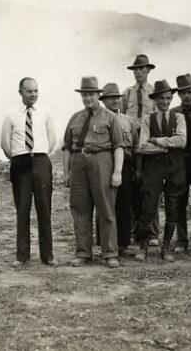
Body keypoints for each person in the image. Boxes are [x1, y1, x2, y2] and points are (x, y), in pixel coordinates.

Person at [63, 77, 124, 269]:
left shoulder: (109, 117)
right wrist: (66, 172)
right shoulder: (75, 118)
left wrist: (117, 172)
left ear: (98, 95)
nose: (88, 98)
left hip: (102, 162)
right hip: (79, 164)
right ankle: (83, 252)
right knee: (80, 210)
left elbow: (119, 146)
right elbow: (66, 147)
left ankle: (110, 253)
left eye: (91, 94)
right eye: (85, 95)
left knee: (106, 210)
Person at [0, 77, 58, 268]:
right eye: (29, 91)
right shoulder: (10, 115)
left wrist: (39, 155)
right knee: (22, 209)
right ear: (20, 92)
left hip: (41, 161)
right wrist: (18, 159)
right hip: (20, 163)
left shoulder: (45, 113)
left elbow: (52, 140)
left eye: (36, 91)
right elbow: (5, 143)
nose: (33, 94)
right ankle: (22, 255)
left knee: (44, 209)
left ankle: (47, 256)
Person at [135, 80, 187, 262]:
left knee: (172, 206)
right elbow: (142, 146)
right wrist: (168, 145)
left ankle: (166, 247)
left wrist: (157, 141)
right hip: (154, 167)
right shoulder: (148, 120)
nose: (165, 102)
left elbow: (182, 141)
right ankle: (143, 247)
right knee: (149, 205)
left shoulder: (179, 118)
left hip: (175, 166)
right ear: (155, 99)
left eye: (168, 98)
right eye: (161, 99)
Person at [121, 54, 159, 245]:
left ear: (148, 71)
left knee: (151, 187)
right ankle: (134, 230)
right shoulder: (126, 94)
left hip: (148, 145)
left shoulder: (153, 92)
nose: (138, 73)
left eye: (142, 69)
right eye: (135, 69)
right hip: (131, 145)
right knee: (131, 187)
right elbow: (121, 119)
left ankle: (152, 232)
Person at [99, 82, 138, 257]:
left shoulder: (128, 121)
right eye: (111, 98)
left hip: (126, 166)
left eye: (117, 98)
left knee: (124, 204)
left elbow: (136, 146)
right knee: (105, 205)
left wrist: (137, 169)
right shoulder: (99, 119)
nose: (115, 101)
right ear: (103, 100)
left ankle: (123, 243)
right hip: (105, 164)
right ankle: (105, 243)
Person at [170, 73, 191, 253]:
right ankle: (181, 240)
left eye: (189, 91)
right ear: (179, 95)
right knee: (179, 201)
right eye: (183, 93)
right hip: (180, 161)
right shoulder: (173, 113)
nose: (186, 96)